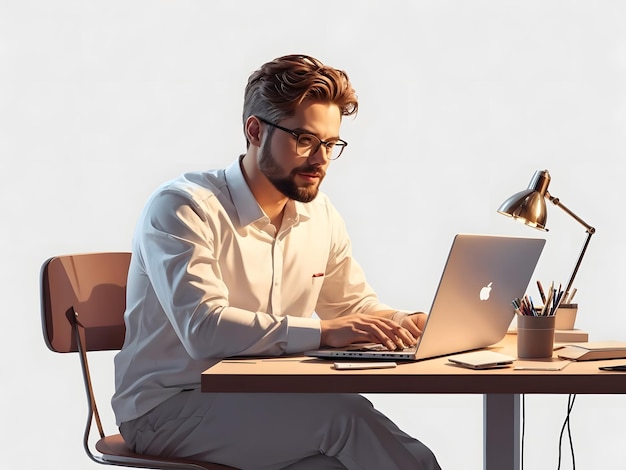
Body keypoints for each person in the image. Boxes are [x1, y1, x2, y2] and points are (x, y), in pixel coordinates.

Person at [112, 54, 441, 470]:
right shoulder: (184, 207)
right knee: (346, 418)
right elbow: (204, 330)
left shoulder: (320, 215)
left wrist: (402, 321)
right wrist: (324, 332)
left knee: (390, 459)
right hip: (169, 408)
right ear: (255, 130)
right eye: (305, 140)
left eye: (330, 144)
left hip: (266, 400)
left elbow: (351, 310)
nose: (320, 160)